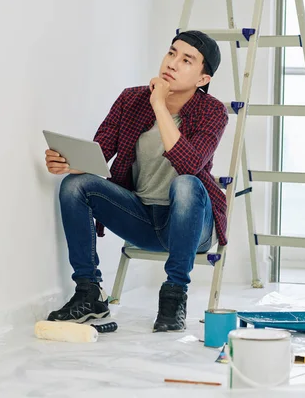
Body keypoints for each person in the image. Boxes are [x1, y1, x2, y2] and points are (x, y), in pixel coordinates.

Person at [44, 30, 229, 332]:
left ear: (202, 80)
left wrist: (160, 104)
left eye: (186, 60)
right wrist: (67, 163)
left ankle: (174, 296)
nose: (172, 63)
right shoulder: (131, 99)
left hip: (190, 225)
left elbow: (189, 165)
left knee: (185, 184)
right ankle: (90, 293)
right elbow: (99, 154)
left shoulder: (212, 111)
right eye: (172, 53)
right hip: (141, 217)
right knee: (75, 186)